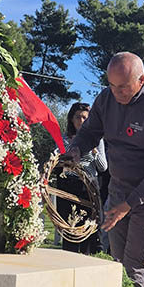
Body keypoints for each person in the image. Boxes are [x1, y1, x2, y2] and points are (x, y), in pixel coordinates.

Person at [64, 52, 144, 287]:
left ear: (142, 80)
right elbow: (89, 133)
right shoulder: (106, 99)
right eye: (112, 86)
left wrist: (128, 206)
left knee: (133, 274)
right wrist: (75, 150)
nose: (117, 93)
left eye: (124, 87)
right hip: (118, 193)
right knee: (117, 270)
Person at [60, 102, 107, 254]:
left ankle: (88, 257)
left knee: (89, 226)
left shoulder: (97, 140)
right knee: (69, 226)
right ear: (71, 119)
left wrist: (94, 152)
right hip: (68, 185)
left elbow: (103, 167)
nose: (81, 121)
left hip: (88, 186)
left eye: (85, 118)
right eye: (78, 117)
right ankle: (69, 257)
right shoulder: (64, 139)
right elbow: (57, 160)